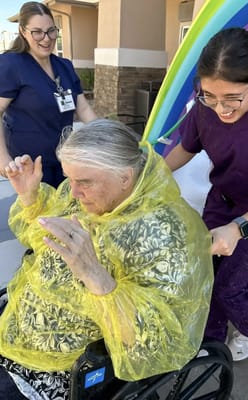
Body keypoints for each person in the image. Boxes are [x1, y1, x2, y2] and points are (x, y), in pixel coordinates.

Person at [0, 118, 213, 400]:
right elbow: (40, 241)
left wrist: (93, 273)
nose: (73, 191)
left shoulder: (166, 233)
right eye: (69, 178)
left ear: (125, 176)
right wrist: (30, 197)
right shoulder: (81, 195)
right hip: (17, 326)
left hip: (62, 366)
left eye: (84, 182)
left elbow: (152, 343)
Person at [165, 27, 248, 361]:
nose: (221, 109)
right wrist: (148, 177)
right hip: (221, 201)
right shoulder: (205, 106)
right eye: (210, 96)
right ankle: (210, 338)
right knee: (205, 275)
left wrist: (239, 228)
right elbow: (185, 147)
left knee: (232, 288)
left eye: (232, 99)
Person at [0, 1, 97, 188]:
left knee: (65, 213)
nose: (46, 39)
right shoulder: (11, 65)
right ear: (23, 32)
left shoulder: (64, 66)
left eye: (51, 30)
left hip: (65, 162)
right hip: (29, 167)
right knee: (38, 215)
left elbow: (83, 108)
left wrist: (110, 136)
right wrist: (3, 159)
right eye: (37, 32)